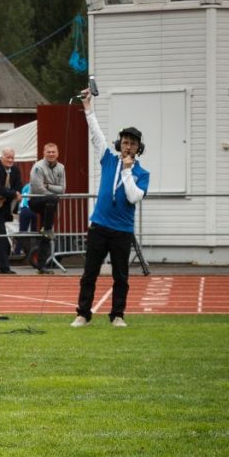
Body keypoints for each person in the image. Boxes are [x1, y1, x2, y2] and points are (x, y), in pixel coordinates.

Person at [72, 89, 150, 328]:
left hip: (122, 230)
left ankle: (118, 315)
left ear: (138, 148)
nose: (127, 146)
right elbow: (96, 136)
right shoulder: (108, 158)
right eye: (125, 142)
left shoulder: (141, 173)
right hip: (99, 226)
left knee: (120, 276)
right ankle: (83, 314)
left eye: (132, 144)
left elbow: (133, 197)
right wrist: (88, 109)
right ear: (120, 144)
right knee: (89, 274)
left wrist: (127, 171)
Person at [28, 142, 66, 273]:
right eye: (48, 152)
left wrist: (49, 186)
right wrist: (53, 195)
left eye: (53, 152)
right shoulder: (37, 167)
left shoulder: (61, 167)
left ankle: (41, 266)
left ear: (57, 153)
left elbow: (62, 189)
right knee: (53, 199)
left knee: (46, 234)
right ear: (44, 153)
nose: (51, 154)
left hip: (49, 205)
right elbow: (39, 189)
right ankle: (48, 228)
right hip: (36, 201)